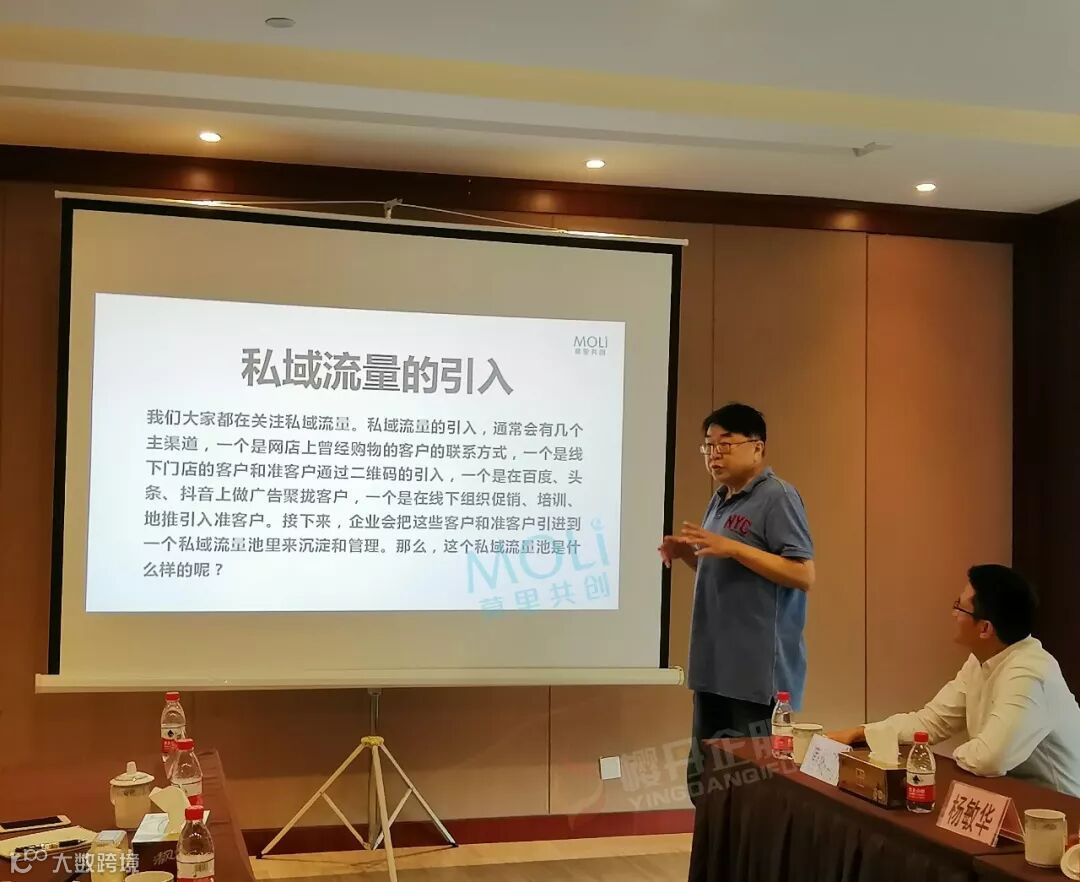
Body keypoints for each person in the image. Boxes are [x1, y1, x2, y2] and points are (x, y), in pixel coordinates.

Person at [659, 403, 815, 802]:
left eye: (725, 444)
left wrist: (732, 548)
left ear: (757, 448)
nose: (714, 454)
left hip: (756, 676)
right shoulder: (721, 499)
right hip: (714, 666)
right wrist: (689, 554)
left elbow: (802, 574)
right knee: (705, 782)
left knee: (750, 788)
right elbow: (728, 570)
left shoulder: (777, 497)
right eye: (709, 445)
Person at [829, 565, 1080, 797]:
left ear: (985, 628)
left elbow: (989, 759)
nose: (953, 614)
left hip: (1059, 811)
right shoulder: (981, 660)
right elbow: (931, 723)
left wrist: (936, 759)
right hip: (1008, 798)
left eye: (959, 607)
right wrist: (861, 733)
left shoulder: (1030, 672)